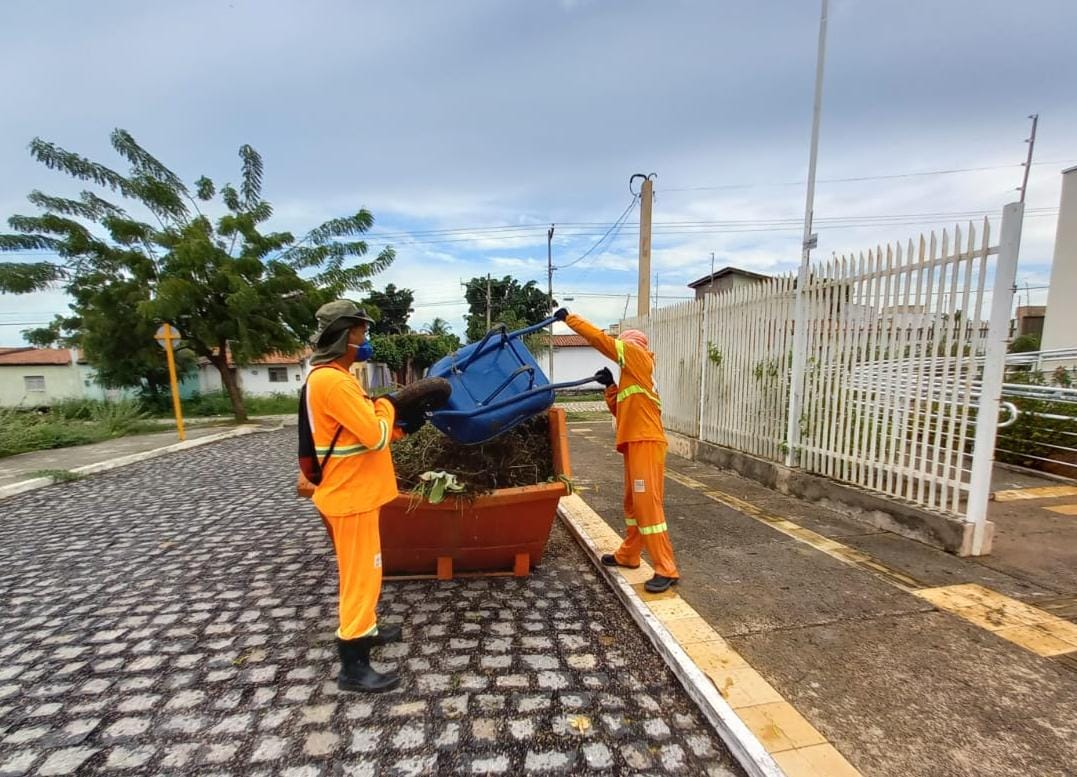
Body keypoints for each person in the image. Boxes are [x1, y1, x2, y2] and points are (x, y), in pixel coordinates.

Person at [305, 300, 409, 693]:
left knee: (369, 571)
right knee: (360, 579)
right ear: (346, 335)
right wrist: (387, 406)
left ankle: (367, 628)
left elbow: (356, 434)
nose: (365, 339)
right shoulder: (332, 381)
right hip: (350, 496)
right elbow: (376, 434)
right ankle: (353, 663)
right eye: (361, 331)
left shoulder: (330, 377)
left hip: (355, 493)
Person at [555, 307, 681, 593]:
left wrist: (569, 318)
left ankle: (666, 568)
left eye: (622, 346)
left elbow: (601, 340)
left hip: (646, 442)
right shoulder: (633, 374)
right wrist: (611, 387)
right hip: (636, 441)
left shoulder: (637, 357)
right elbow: (622, 411)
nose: (619, 352)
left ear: (631, 346)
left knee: (648, 504)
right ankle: (630, 554)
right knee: (633, 504)